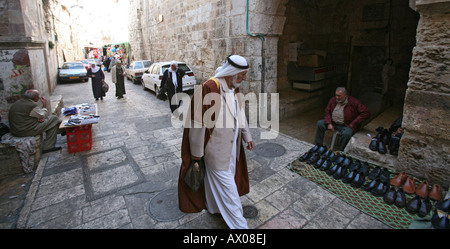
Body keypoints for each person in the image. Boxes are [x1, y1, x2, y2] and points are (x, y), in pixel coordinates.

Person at [178, 55, 255, 229]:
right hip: (214, 153)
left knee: (214, 185)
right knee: (230, 193)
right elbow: (197, 124)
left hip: (232, 150)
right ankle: (241, 227)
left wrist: (247, 136)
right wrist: (197, 156)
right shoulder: (209, 88)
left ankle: (214, 209)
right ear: (232, 73)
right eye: (241, 75)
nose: (244, 78)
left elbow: (240, 115)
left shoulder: (233, 87)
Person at [315, 87, 370, 151]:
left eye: (339, 96)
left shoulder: (354, 102)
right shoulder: (333, 100)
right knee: (320, 123)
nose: (337, 97)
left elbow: (366, 113)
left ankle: (341, 152)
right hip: (333, 122)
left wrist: (354, 123)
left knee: (347, 134)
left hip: (346, 125)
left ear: (345, 95)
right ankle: (318, 146)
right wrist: (329, 123)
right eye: (336, 95)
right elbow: (327, 111)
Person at [8, 89, 64, 153]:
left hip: (18, 129)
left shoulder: (19, 102)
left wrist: (38, 118)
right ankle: (63, 130)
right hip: (25, 130)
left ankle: (49, 146)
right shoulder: (31, 105)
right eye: (38, 96)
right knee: (54, 118)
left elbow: (30, 115)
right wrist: (44, 105)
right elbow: (42, 115)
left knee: (51, 124)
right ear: (35, 97)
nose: (39, 97)